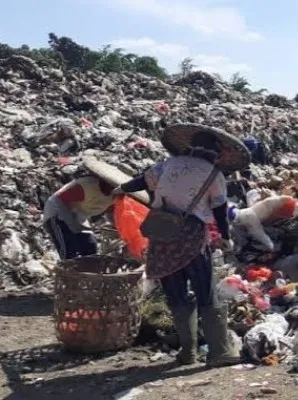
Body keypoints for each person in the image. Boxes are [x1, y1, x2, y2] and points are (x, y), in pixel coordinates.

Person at [114, 123, 250, 368]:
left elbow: (139, 182)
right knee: (205, 293)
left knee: (176, 295)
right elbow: (219, 208)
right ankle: (218, 352)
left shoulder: (168, 164)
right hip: (191, 238)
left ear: (191, 147)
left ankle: (188, 353)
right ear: (215, 153)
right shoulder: (213, 174)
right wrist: (226, 237)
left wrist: (121, 188)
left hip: (161, 236)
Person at [42, 175, 115, 260]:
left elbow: (111, 213)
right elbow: (61, 200)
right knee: (69, 250)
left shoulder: (113, 197)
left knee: (91, 248)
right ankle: (67, 270)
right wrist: (71, 225)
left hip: (79, 217)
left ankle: (85, 270)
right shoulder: (87, 186)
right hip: (58, 213)